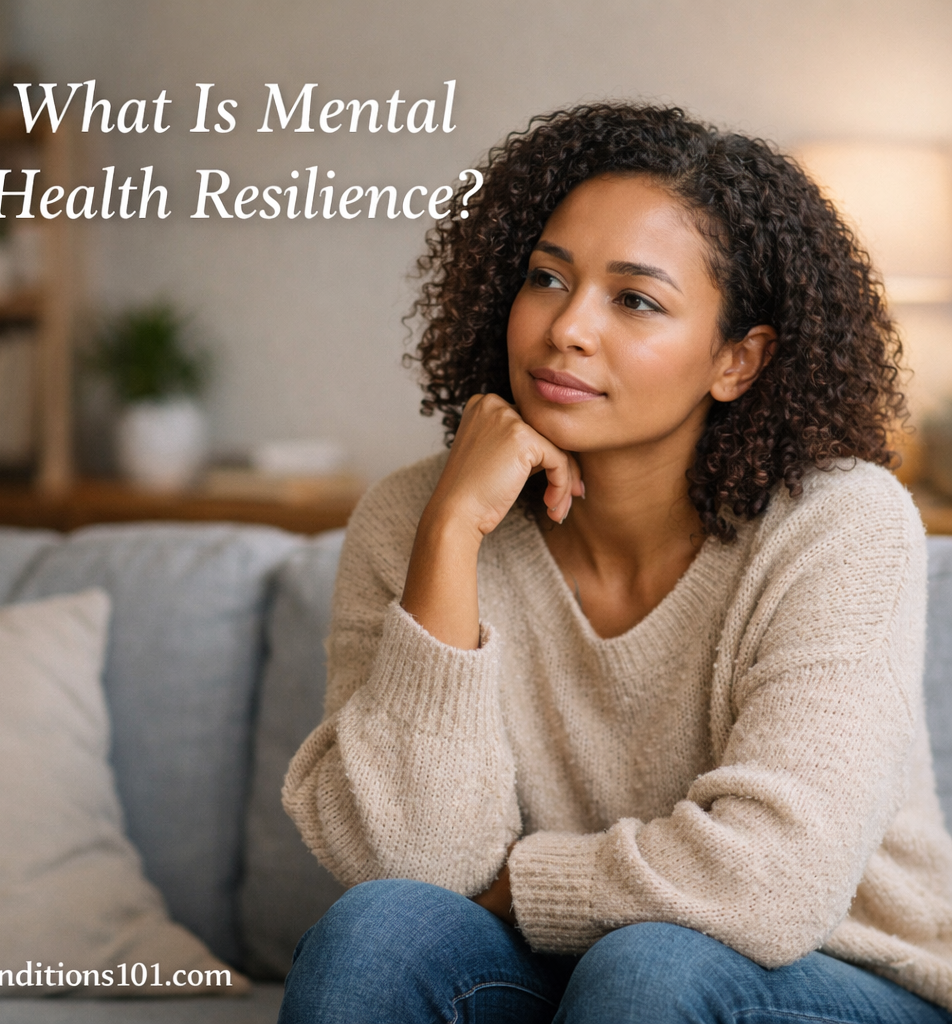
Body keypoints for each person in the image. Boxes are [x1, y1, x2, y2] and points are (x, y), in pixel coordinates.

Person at [277, 103, 952, 1024]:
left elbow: (775, 881)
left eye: (634, 299)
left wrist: (522, 886)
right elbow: (415, 866)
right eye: (546, 279)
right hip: (572, 974)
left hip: (841, 973)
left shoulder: (840, 521)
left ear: (738, 360)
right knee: (377, 933)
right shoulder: (416, 516)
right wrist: (449, 539)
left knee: (650, 970)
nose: (566, 330)